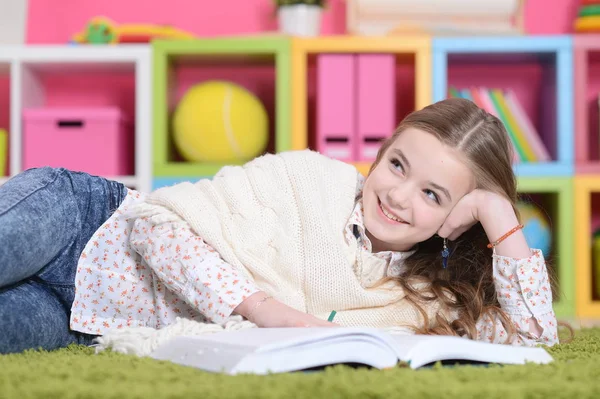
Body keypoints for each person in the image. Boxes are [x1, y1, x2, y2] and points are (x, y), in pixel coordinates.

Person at [0, 98, 558, 354]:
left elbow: (534, 344)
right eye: (397, 165)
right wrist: (271, 313)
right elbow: (155, 227)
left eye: (433, 195)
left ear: (454, 221)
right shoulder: (309, 177)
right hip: (83, 224)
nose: (398, 195)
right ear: (381, 153)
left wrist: (498, 216)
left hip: (86, 321)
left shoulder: (424, 300)